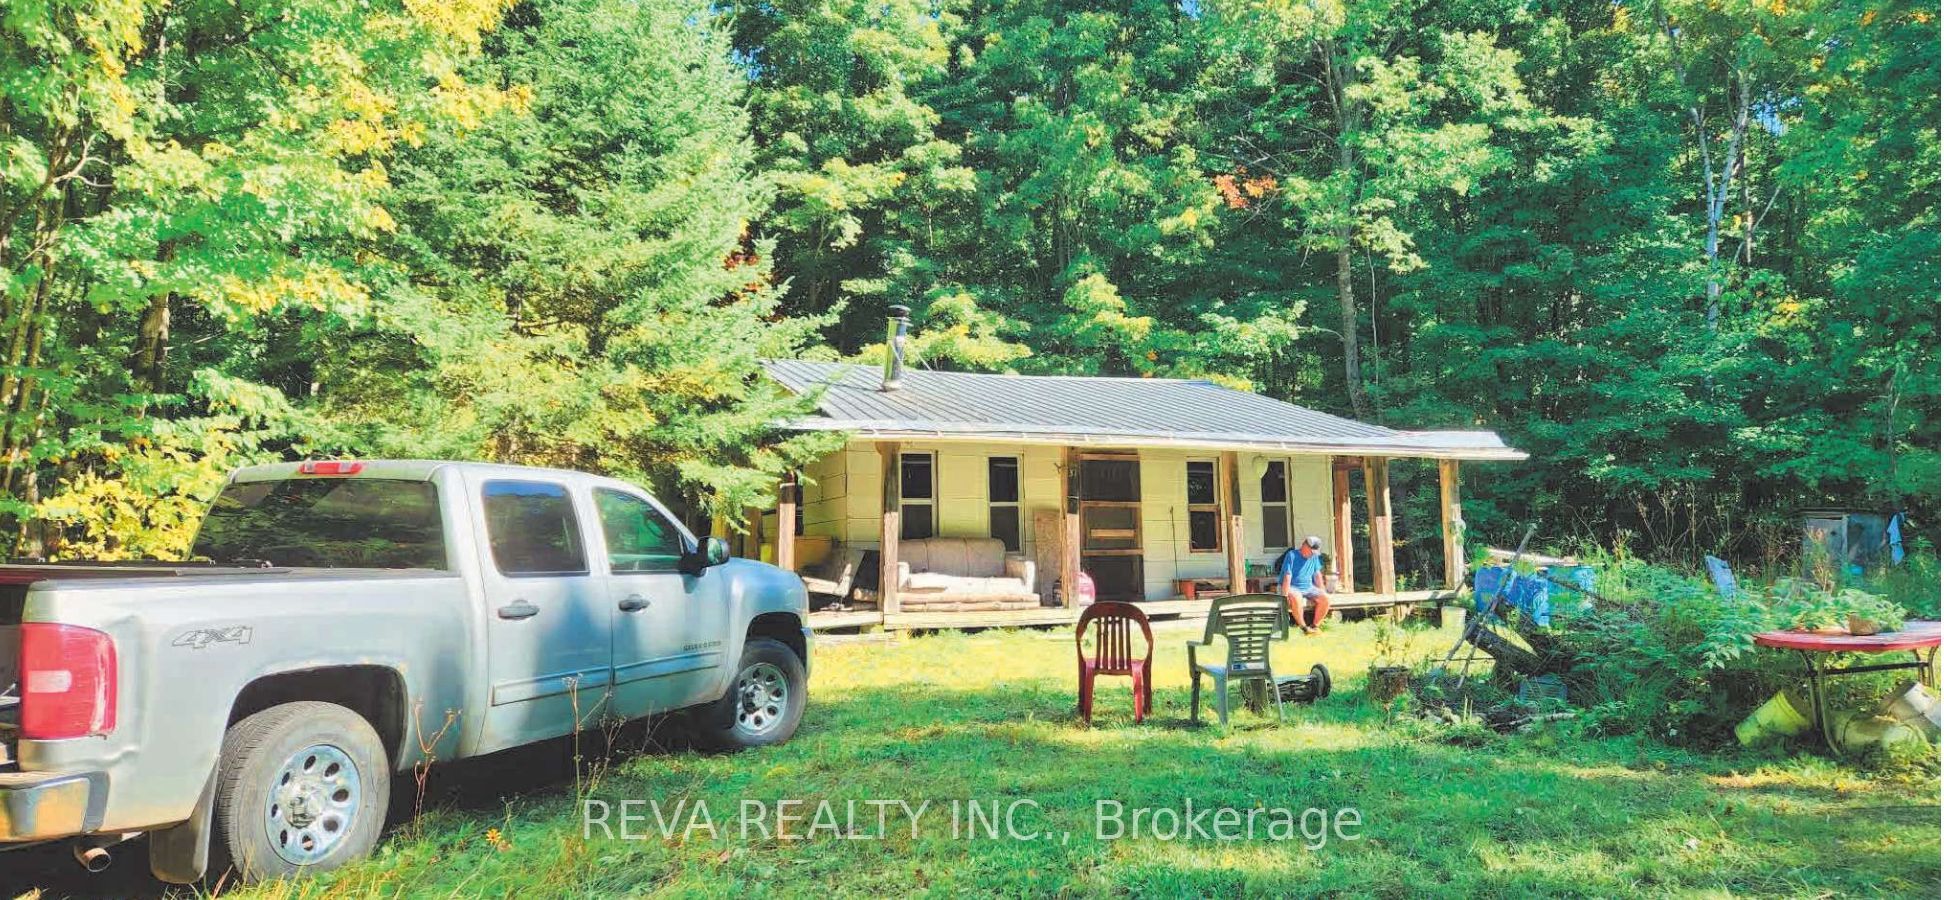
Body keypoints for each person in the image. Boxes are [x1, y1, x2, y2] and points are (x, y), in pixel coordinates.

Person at [1277, 535, 1331, 634]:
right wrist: (1284, 596)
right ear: (1305, 546)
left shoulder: (1314, 557)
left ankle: (1315, 626)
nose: (1312, 554)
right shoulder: (1292, 555)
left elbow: (1317, 575)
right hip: (1291, 587)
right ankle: (1304, 628)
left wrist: (1322, 591)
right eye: (1311, 551)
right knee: (1297, 596)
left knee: (1325, 598)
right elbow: (1287, 576)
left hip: (1308, 588)